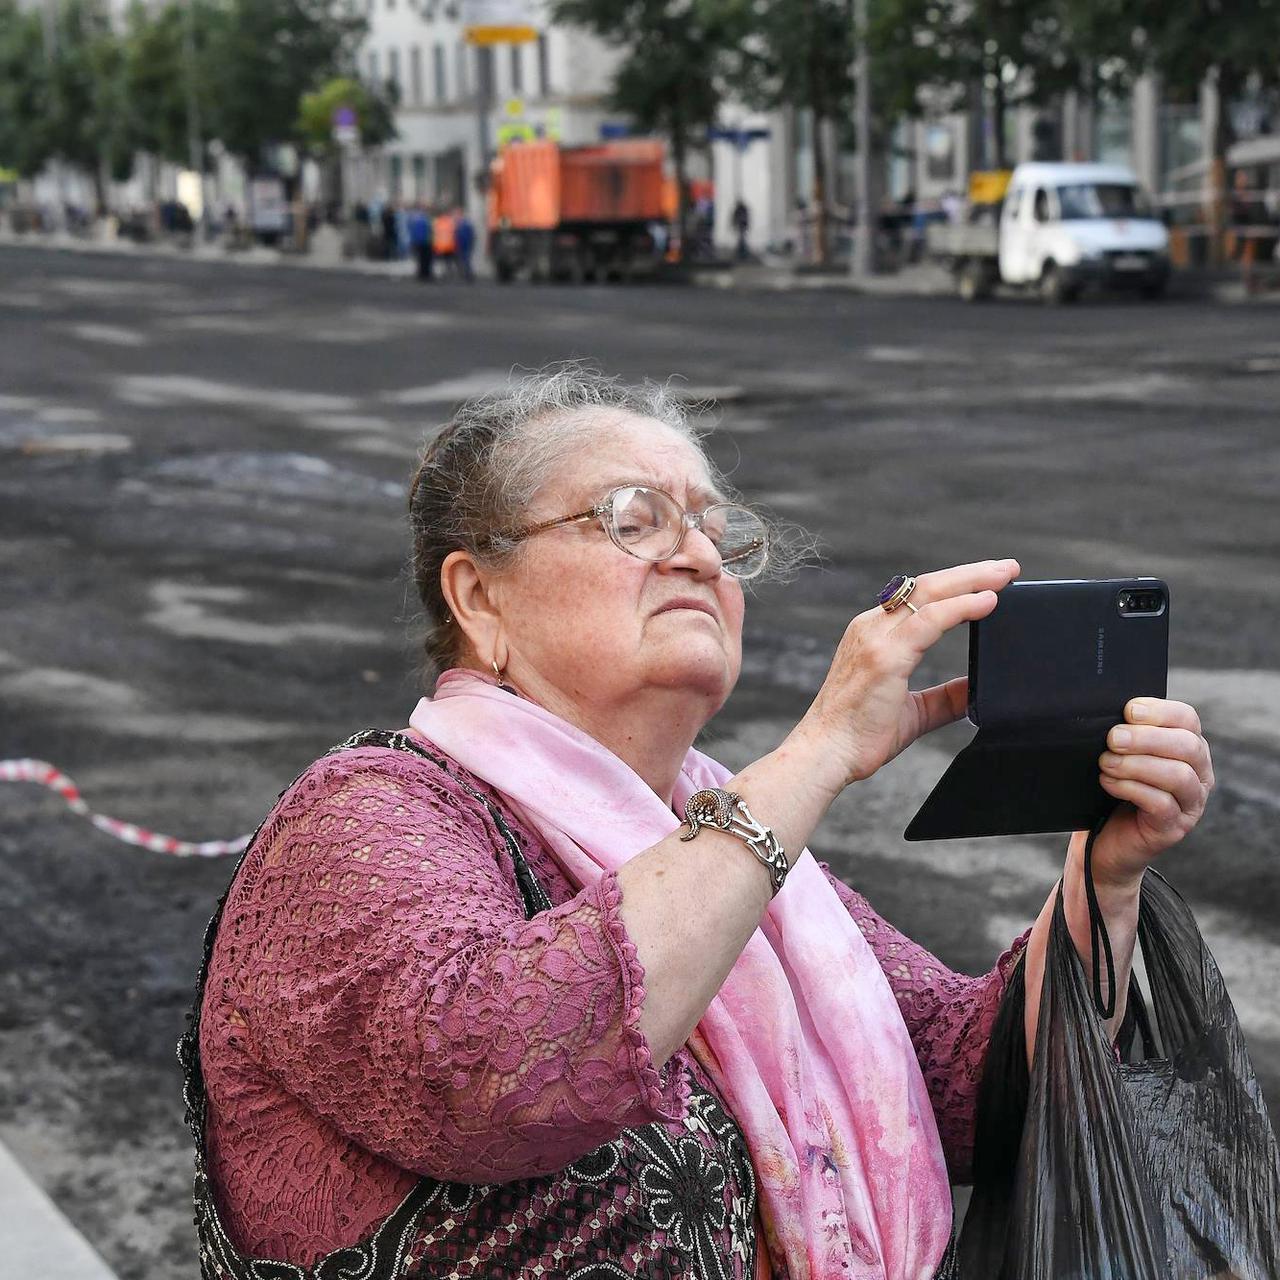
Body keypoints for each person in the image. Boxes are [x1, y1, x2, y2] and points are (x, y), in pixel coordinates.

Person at [188, 368, 1215, 1278]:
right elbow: (495, 1070)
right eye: (634, 517)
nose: (696, 554)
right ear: (479, 596)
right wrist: (815, 753)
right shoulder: (366, 811)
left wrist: (1103, 873)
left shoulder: (710, 831)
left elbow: (957, 1082)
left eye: (716, 531)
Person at [406, 203, 434, 281]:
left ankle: (422, 275)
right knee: (426, 260)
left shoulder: (413, 218)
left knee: (421, 259)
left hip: (419, 242)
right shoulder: (425, 219)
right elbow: (430, 230)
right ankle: (425, 275)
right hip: (425, 242)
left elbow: (410, 230)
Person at [454, 207, 476, 281]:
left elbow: (472, 235)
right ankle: (464, 275)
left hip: (466, 245)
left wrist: (471, 244)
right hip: (459, 245)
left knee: (466, 260)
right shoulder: (457, 224)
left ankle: (468, 275)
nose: (456, 216)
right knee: (461, 260)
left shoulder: (466, 223)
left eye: (457, 214)